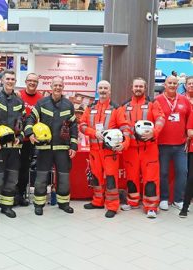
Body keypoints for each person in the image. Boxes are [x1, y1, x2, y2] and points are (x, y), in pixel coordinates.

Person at [25, 76, 78, 216]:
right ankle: (39, 203)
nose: (57, 87)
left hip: (62, 148)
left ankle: (64, 203)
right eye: (55, 85)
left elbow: (73, 126)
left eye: (60, 85)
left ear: (63, 87)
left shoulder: (68, 105)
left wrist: (73, 145)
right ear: (51, 86)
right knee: (41, 177)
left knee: (64, 177)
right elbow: (30, 118)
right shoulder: (42, 103)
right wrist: (30, 133)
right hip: (44, 148)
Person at [79, 80, 131, 218]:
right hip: (94, 150)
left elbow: (125, 127)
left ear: (110, 91)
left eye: (105, 88)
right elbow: (82, 125)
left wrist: (124, 143)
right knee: (96, 178)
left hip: (110, 152)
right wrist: (93, 132)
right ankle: (97, 201)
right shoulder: (90, 107)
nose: (103, 90)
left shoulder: (116, 108)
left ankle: (113, 206)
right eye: (100, 88)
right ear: (97, 90)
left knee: (111, 179)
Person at [0, 70, 26, 221]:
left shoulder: (19, 102)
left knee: (12, 179)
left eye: (12, 79)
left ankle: (6, 206)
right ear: (2, 80)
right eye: (7, 78)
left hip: (14, 149)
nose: (10, 81)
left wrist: (20, 137)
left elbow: (24, 122)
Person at [119, 78, 165, 218]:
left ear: (145, 88)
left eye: (141, 86)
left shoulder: (153, 104)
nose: (138, 88)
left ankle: (151, 207)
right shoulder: (124, 106)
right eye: (136, 86)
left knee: (151, 178)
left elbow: (161, 118)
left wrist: (154, 131)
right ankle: (132, 201)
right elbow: (122, 124)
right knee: (131, 177)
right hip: (131, 149)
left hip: (149, 148)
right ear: (131, 88)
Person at [156, 75, 191, 211]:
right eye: (169, 83)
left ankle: (178, 199)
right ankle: (164, 199)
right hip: (162, 144)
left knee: (183, 172)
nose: (172, 85)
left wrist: (188, 135)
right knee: (163, 172)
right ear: (165, 85)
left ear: (178, 85)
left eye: (174, 83)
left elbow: (189, 119)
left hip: (180, 144)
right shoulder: (157, 100)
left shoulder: (184, 100)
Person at [15, 73, 42, 206]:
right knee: (12, 167)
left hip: (30, 140)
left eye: (35, 81)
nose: (32, 83)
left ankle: (20, 194)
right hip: (16, 138)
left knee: (25, 168)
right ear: (25, 82)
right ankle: (9, 193)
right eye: (30, 80)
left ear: (37, 83)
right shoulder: (18, 95)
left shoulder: (41, 99)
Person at [179, 76, 193, 217]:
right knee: (190, 176)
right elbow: (189, 131)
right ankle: (185, 205)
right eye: (190, 84)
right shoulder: (181, 99)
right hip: (188, 145)